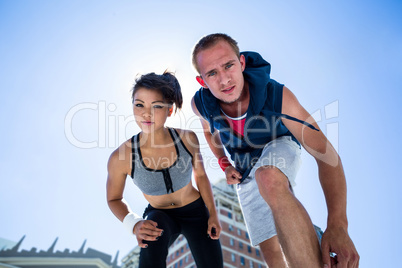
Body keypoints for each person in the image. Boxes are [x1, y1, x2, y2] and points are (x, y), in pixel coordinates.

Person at [191, 33, 359, 268]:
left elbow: (325, 153)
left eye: (228, 65)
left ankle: (319, 240)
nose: (224, 79)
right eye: (212, 73)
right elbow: (210, 133)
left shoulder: (277, 97)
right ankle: (312, 236)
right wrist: (224, 164)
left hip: (278, 143)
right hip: (244, 168)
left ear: (241, 63)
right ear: (203, 82)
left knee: (268, 176)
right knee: (273, 256)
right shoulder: (201, 105)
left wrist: (339, 225)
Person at [107, 71, 223, 268]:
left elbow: (201, 176)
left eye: (157, 106)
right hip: (160, 214)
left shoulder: (187, 139)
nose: (146, 113)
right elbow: (113, 198)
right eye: (139, 104)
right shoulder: (121, 157)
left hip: (195, 212)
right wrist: (134, 224)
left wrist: (212, 214)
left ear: (169, 110)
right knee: (150, 248)